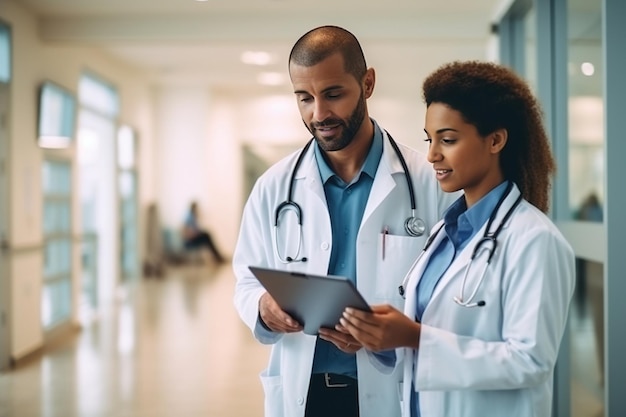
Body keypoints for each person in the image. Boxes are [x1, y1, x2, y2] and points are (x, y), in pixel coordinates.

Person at [232, 26, 458, 417]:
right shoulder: (274, 186)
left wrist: (383, 336)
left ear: (367, 83)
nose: (319, 114)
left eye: (333, 94)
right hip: (304, 391)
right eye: (305, 98)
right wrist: (263, 305)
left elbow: (453, 297)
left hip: (392, 390)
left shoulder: (428, 183)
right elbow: (247, 279)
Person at [339, 60, 576, 417]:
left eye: (448, 140)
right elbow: (432, 338)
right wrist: (380, 339)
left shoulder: (535, 240)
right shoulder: (442, 233)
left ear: (495, 140)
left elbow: (530, 361)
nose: (432, 154)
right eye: (429, 139)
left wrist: (414, 337)